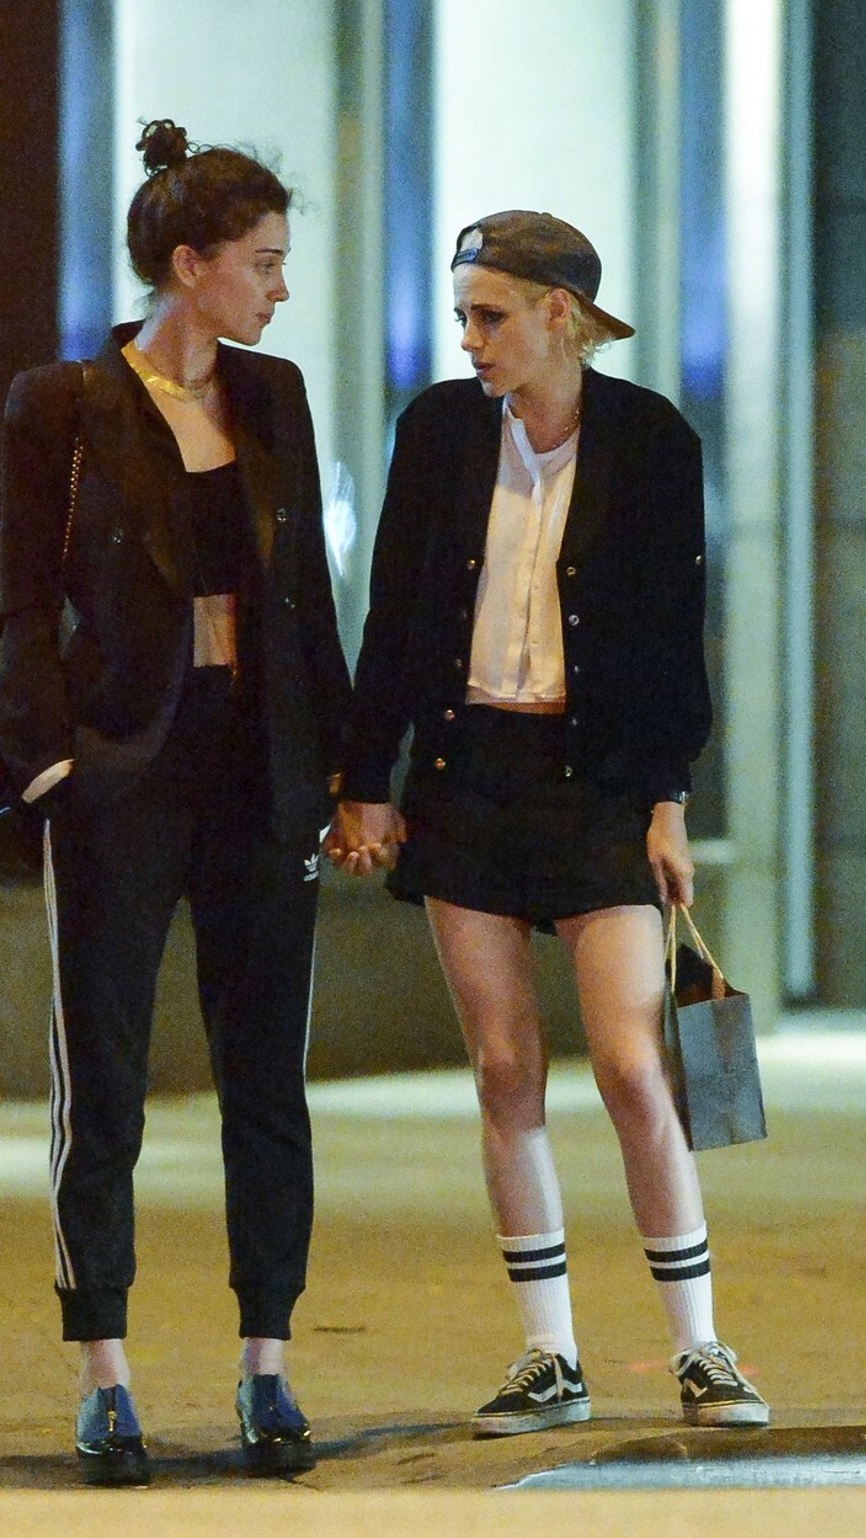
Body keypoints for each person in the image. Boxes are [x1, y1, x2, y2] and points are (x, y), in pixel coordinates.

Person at [328, 210, 768, 1434]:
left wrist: (669, 799)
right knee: (504, 1065)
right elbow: (394, 615)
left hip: (598, 781)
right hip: (465, 772)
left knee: (630, 1062)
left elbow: (676, 640)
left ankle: (701, 1346)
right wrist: (367, 777)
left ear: (558, 315)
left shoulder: (652, 440)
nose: (468, 339)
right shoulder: (436, 431)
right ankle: (549, 1354)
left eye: (489, 317)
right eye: (462, 316)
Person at [0, 119, 350, 1483]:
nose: (280, 288)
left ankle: (267, 1366)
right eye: (262, 263)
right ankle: (105, 1374)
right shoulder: (63, 405)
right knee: (107, 1083)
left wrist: (348, 771)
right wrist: (56, 764)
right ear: (190, 266)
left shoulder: (276, 396)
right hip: (123, 778)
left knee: (268, 1082)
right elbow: (21, 605)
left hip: (259, 771)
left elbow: (308, 597)